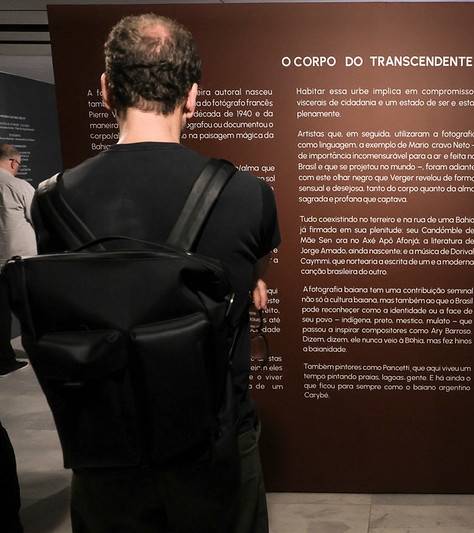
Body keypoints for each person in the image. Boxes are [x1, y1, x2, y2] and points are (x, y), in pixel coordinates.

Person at [32, 14, 280, 532]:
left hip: (107, 442)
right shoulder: (249, 194)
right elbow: (255, 274)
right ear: (193, 96)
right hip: (215, 440)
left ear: (106, 90)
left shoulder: (52, 200)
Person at [0, 144, 34, 376]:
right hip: (20, 260)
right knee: (31, 310)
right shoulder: (18, 186)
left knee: (1, 314)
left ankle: (3, 359)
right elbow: (37, 216)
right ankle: (41, 351)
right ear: (13, 162)